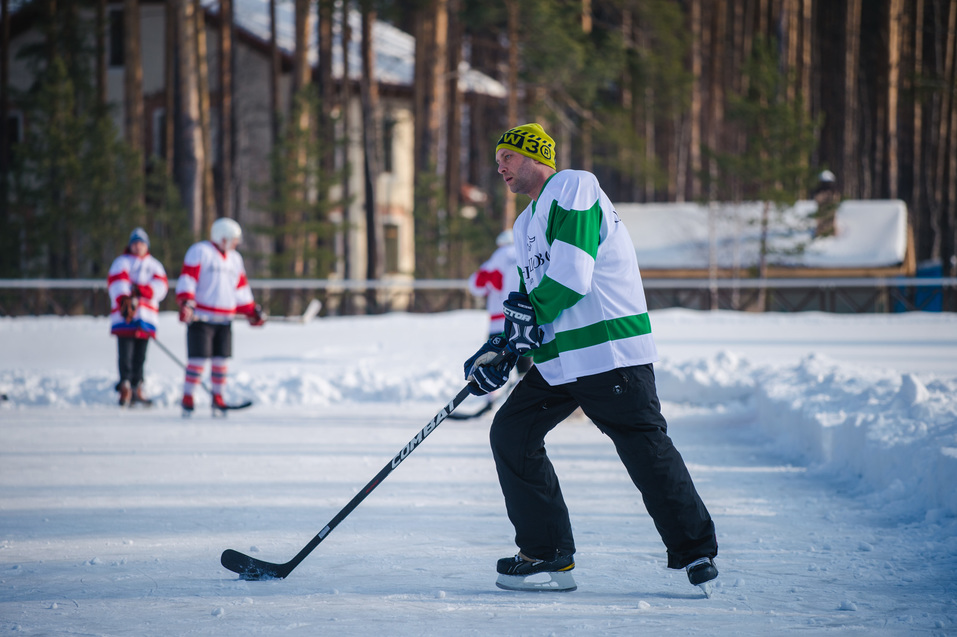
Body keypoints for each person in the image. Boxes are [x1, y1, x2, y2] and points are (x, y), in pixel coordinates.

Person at [464, 123, 718, 595]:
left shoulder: (573, 186)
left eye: (508, 156)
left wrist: (523, 323)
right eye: (498, 158)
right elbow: (527, 299)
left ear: (537, 156)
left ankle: (695, 552)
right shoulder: (524, 223)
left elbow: (572, 276)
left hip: (609, 352)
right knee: (512, 433)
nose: (499, 166)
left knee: (642, 446)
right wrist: (504, 346)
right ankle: (547, 554)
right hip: (561, 361)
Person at [175, 218, 265, 416]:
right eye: (233, 239)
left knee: (221, 361)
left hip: (224, 320)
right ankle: (188, 396)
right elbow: (188, 279)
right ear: (222, 237)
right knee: (198, 360)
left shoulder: (235, 259)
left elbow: (240, 289)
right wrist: (186, 302)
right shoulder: (200, 251)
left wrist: (252, 311)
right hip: (202, 318)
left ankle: (218, 397)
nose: (236, 243)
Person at [107, 227, 169, 407]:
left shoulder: (154, 265)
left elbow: (161, 287)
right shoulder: (122, 262)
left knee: (140, 357)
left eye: (141, 243)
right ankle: (124, 385)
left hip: (146, 318)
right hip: (125, 319)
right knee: (125, 354)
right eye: (135, 243)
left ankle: (137, 386)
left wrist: (143, 290)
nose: (138, 247)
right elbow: (117, 283)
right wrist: (124, 300)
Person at [467, 230, 533, 383]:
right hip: (524, 316)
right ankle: (524, 392)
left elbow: (476, 285)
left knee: (492, 363)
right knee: (524, 361)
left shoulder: (498, 256)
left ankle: (490, 399)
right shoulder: (525, 252)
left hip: (499, 320)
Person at [811, 169, 841, 238]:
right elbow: (818, 200)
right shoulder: (822, 191)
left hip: (828, 212)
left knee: (828, 222)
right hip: (823, 212)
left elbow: (835, 199)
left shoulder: (832, 191)